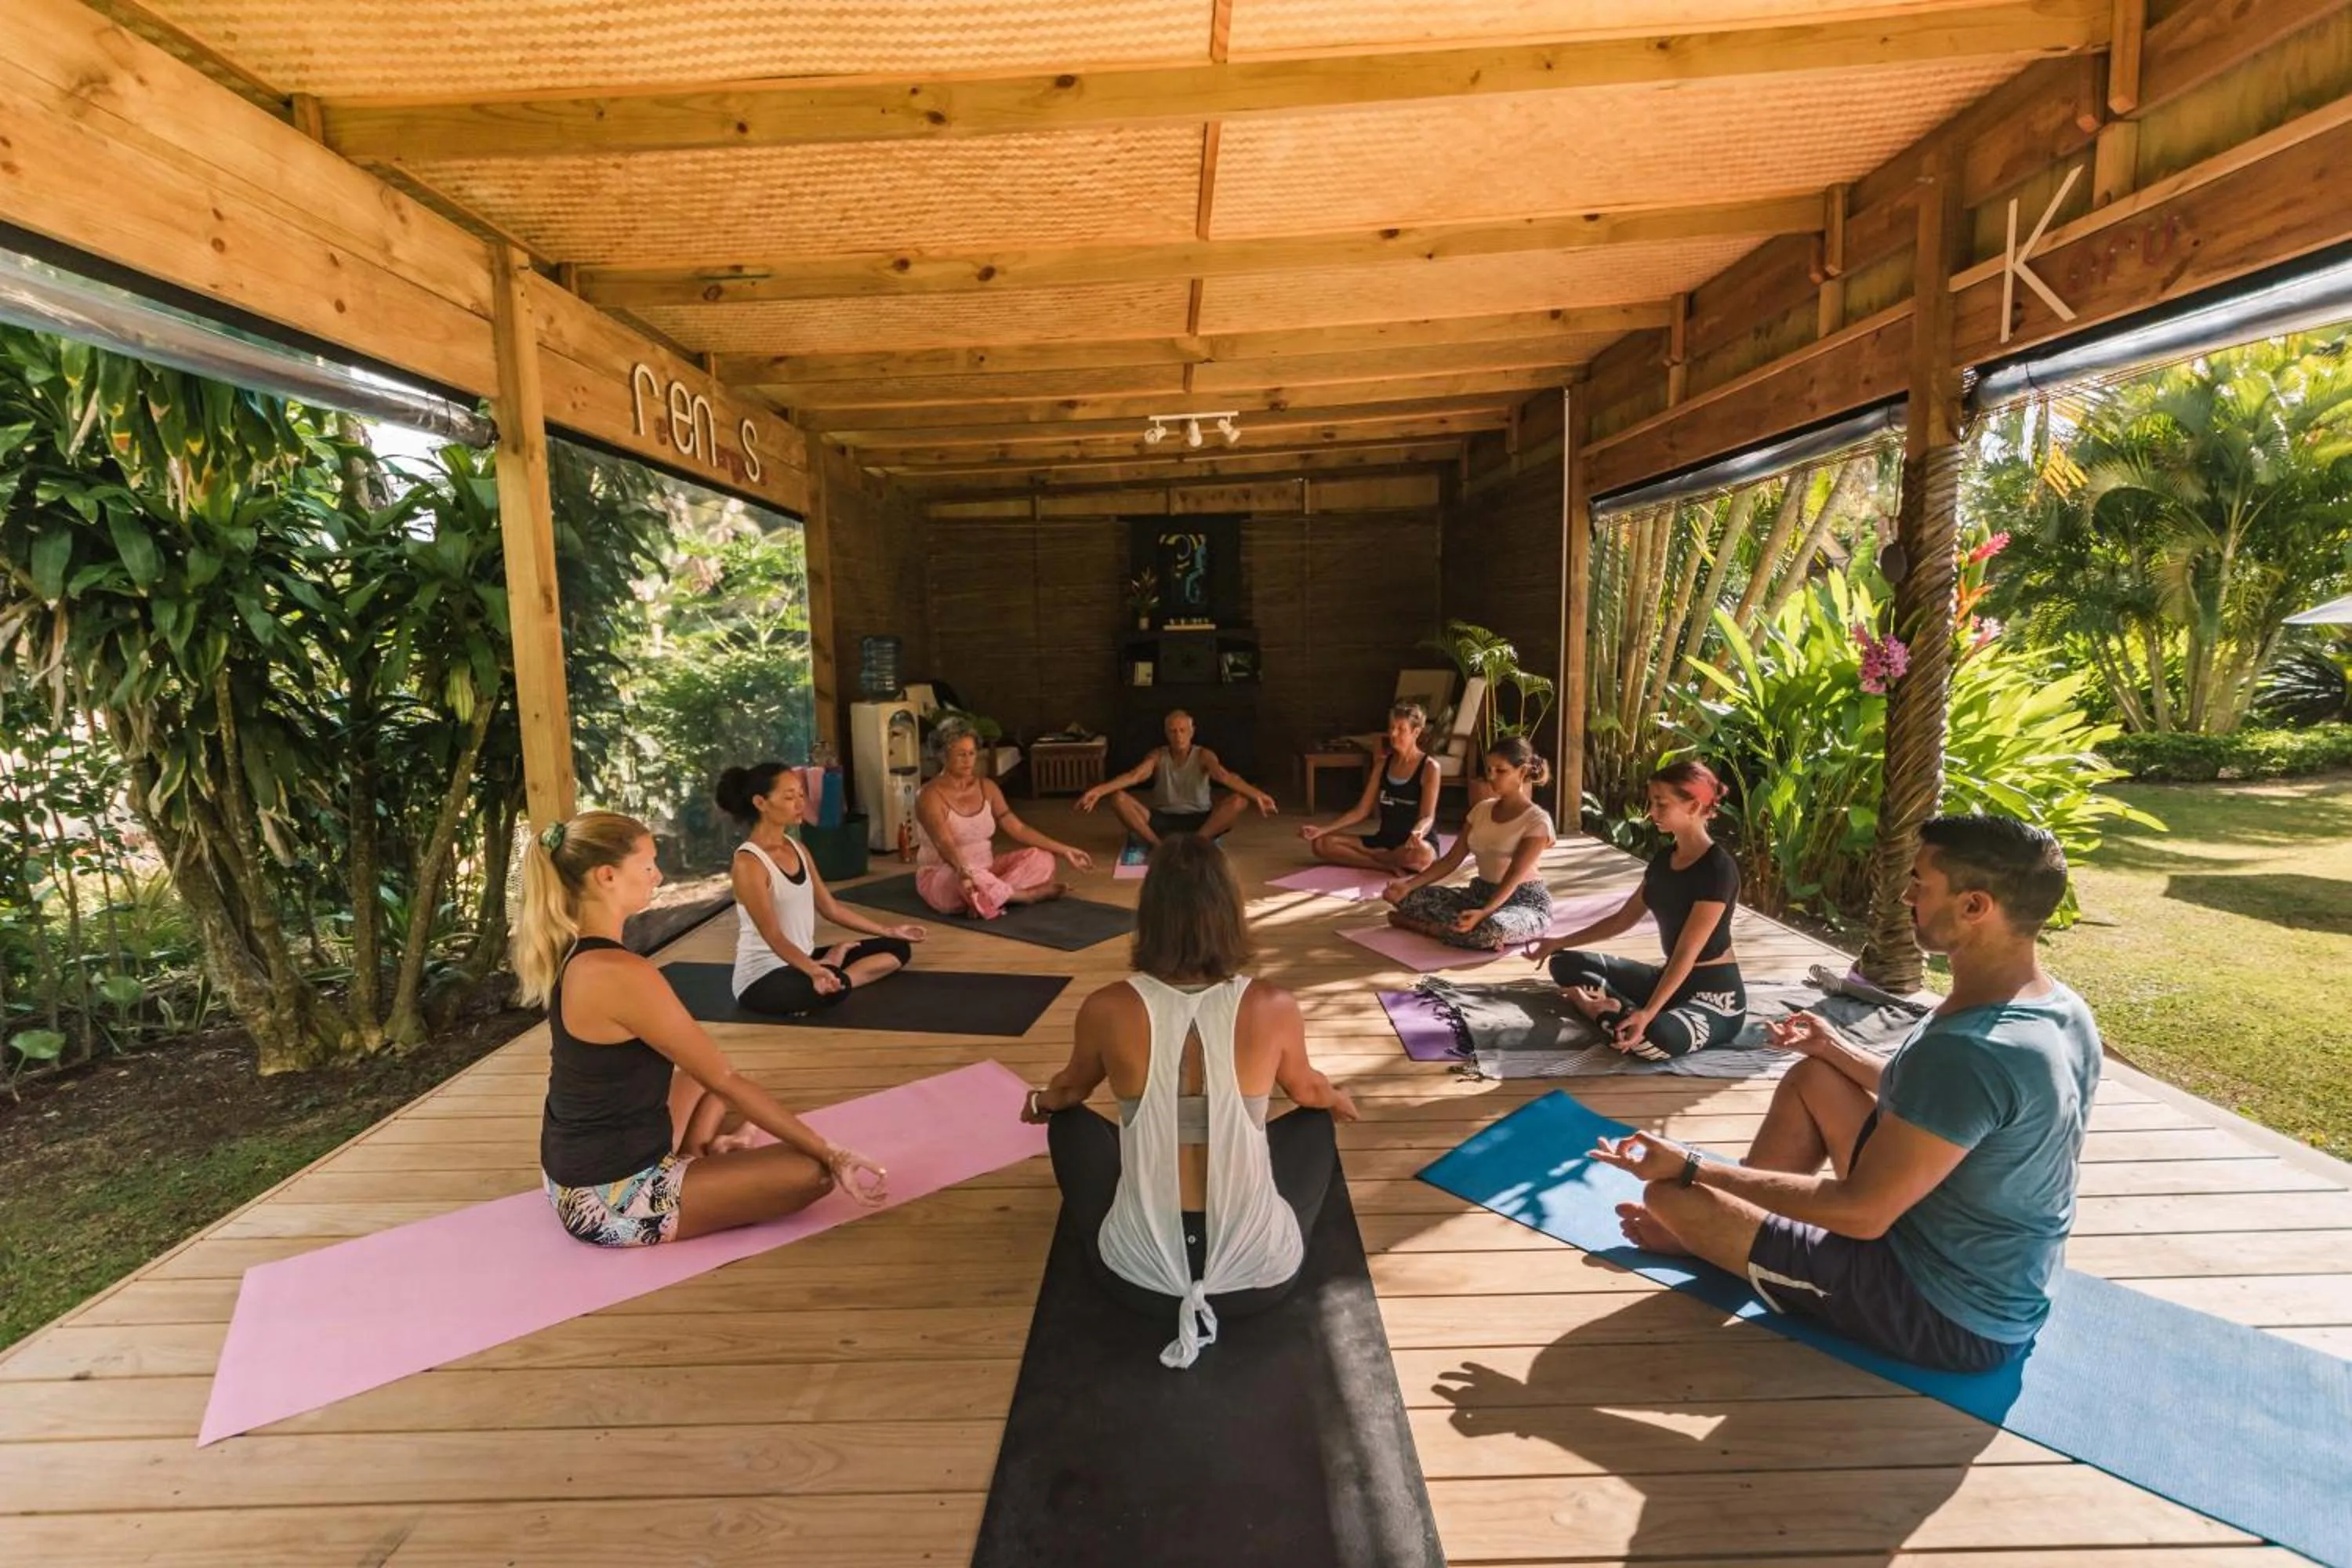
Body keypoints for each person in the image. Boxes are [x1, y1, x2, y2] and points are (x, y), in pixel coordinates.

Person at [1590, 815, 2102, 1372]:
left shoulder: (1974, 1049)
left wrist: (1693, 1168)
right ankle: (1732, 1229)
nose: (1905, 895)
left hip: (1943, 1311)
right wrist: (1835, 1050)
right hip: (1973, 1250)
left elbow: (1861, 1215)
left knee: (1669, 1197)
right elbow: (1942, 1108)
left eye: (1919, 884)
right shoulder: (2056, 1006)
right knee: (1816, 1078)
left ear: (1975, 906)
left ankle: (1723, 1237)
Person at [1021, 833, 1359, 1367]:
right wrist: (1337, 1099)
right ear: (1230, 913)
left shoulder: (1109, 1007)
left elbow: (1067, 1092)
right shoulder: (1273, 1004)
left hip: (1139, 1277)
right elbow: (1309, 1090)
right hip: (1258, 1278)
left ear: (1150, 915)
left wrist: (1038, 1103)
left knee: (1069, 1124)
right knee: (1314, 1123)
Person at [514, 811, 889, 1248]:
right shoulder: (617, 972)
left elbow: (708, 1075)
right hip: (607, 1199)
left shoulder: (575, 953)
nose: (658, 876)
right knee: (810, 1173)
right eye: (648, 864)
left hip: (570, 1169)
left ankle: (699, 1157)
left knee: (694, 1078)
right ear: (606, 877)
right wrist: (832, 1153)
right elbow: (726, 1079)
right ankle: (697, 1164)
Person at [1530, 759, 1748, 1060]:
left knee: (1649, 1038)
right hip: (1666, 979)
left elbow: (1687, 953)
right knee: (1563, 963)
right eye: (1652, 803)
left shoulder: (1718, 870)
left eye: (1661, 804)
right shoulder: (1663, 860)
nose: (1651, 812)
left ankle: (1598, 1008)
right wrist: (1558, 941)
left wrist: (1647, 1013)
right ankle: (1611, 1010)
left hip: (1713, 997)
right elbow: (1623, 919)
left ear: (1694, 807)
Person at [716, 762, 925, 1015]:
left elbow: (831, 908)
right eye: (789, 797)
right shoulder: (749, 863)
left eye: (801, 795)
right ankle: (833, 974)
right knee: (826, 988)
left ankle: (836, 976)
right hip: (763, 977)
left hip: (804, 960)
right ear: (760, 802)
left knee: (897, 947)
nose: (800, 803)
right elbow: (774, 936)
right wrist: (816, 969)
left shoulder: (798, 848)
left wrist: (890, 930)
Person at [1381, 736, 1555, 950]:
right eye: (1489, 769)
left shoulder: (1537, 821)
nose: (1491, 777)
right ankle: (1465, 932)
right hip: (1479, 894)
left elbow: (1514, 874)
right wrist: (1408, 886)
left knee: (1490, 928)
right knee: (1407, 897)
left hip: (1523, 901)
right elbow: (1451, 860)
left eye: (1500, 771)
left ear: (1522, 772)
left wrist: (1486, 912)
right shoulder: (1481, 810)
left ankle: (1423, 927)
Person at [916, 716, 1093, 916]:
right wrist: (963, 872)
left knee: (1043, 859)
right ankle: (1025, 896)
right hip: (946, 875)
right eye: (960, 755)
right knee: (972, 878)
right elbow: (944, 843)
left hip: (987, 871)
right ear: (943, 756)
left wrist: (1065, 850)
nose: (968, 761)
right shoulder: (929, 795)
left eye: (972, 753)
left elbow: (1018, 828)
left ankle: (985, 897)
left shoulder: (987, 787)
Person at [1076, 709, 1278, 848]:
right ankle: (1158, 846)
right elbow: (1135, 776)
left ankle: (1198, 843)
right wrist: (1099, 791)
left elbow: (1223, 776)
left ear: (1192, 732)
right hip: (1163, 820)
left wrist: (1257, 795)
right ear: (1166, 733)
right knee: (1118, 798)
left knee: (1239, 800)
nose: (1178, 736)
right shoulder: (1158, 755)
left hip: (1201, 820)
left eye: (1183, 731)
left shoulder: (1203, 755)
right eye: (1173, 731)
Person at [1298, 702, 1441, 873]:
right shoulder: (1382, 764)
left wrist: (1418, 832)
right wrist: (1322, 830)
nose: (1393, 734)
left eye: (1401, 729)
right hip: (1385, 840)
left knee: (1422, 856)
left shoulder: (1430, 767)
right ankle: (1384, 863)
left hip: (1414, 844)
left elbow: (1427, 816)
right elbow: (1361, 811)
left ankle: (1378, 857)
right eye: (1391, 728)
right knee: (1321, 844)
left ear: (1416, 732)